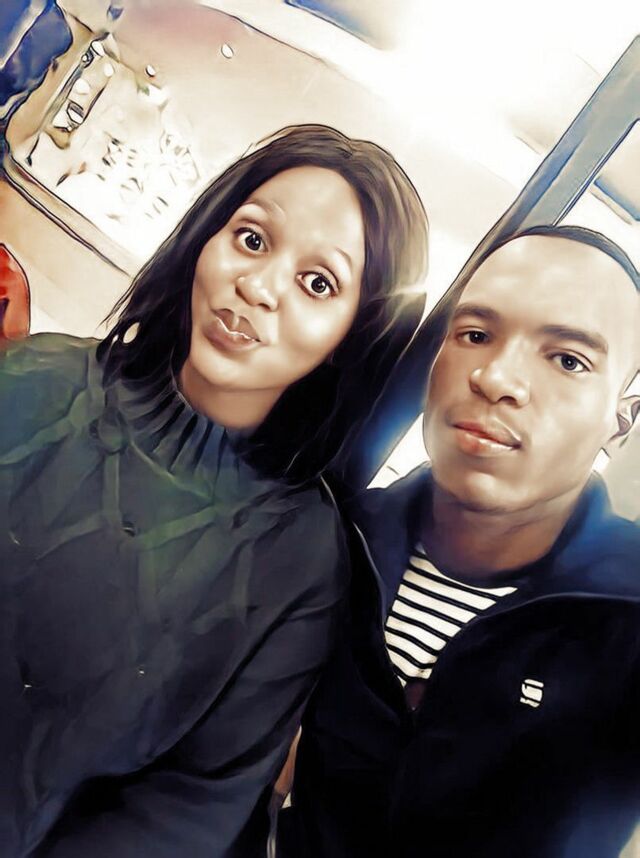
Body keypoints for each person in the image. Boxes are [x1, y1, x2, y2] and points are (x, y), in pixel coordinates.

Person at [0, 124, 428, 858]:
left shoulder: (299, 564)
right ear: (207, 235)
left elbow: (186, 811)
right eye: (252, 240)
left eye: (317, 283)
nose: (257, 287)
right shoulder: (34, 376)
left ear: (353, 337)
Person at [283, 224, 640, 858]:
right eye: (475, 335)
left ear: (620, 420)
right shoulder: (335, 536)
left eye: (568, 360)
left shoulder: (626, 621)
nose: (497, 378)